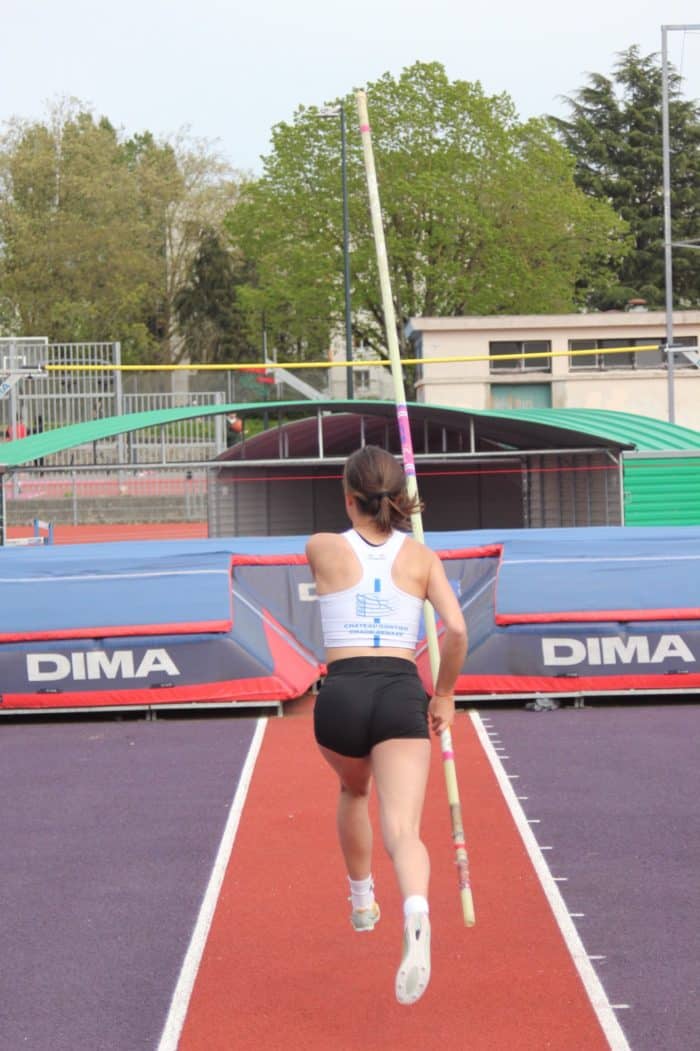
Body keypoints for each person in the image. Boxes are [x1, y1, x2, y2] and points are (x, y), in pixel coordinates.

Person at [305, 445, 468, 1006]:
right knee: (404, 831)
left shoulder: (321, 547)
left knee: (354, 790)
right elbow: (456, 631)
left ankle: (361, 903)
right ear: (399, 497)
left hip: (342, 694)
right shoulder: (422, 557)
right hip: (401, 691)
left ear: (349, 497)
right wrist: (444, 694)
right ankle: (416, 911)